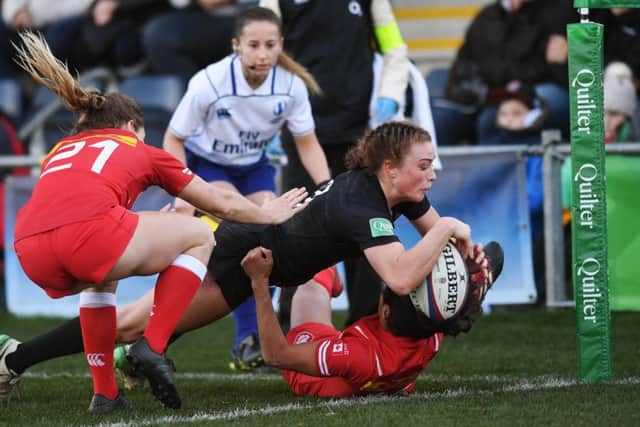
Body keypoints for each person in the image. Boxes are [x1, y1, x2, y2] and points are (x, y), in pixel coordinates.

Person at [1, 122, 485, 401]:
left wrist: (468, 251)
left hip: (273, 261)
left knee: (141, 330)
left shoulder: (399, 191)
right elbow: (401, 278)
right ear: (390, 168)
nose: (433, 174)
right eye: (425, 165)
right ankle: (14, 358)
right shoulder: (363, 201)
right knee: (130, 323)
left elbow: (440, 246)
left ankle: (123, 359)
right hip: (242, 250)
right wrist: (448, 230)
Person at [5, 31, 307, 414]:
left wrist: (148, 226)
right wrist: (268, 213)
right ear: (132, 127)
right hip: (88, 237)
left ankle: (106, 394)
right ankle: (153, 346)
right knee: (199, 234)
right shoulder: (138, 147)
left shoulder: (59, 149)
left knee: (102, 278)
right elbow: (220, 204)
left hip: (29, 252)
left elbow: (79, 205)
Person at [162, 6, 331, 372]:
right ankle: (240, 339)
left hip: (254, 169)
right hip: (206, 164)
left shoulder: (290, 86)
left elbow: (307, 142)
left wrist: (327, 186)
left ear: (280, 45)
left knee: (272, 234)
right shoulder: (209, 83)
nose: (262, 53)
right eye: (253, 44)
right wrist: (180, 189)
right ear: (236, 45)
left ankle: (252, 340)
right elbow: (173, 138)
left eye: (270, 45)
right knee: (246, 230)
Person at [260, 0, 411, 331]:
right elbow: (265, 53)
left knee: (367, 230)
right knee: (295, 232)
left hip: (359, 135)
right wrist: (269, 116)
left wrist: (390, 95)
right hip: (300, 134)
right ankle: (291, 332)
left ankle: (367, 326)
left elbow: (395, 50)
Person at [241, 241, 502, 397]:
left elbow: (277, 355)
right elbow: (484, 269)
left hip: (320, 377)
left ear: (385, 312)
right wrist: (473, 266)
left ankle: (327, 273)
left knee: (311, 280)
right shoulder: (434, 328)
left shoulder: (356, 355)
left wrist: (259, 282)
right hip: (377, 370)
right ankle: (328, 273)